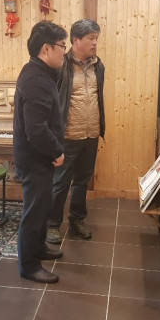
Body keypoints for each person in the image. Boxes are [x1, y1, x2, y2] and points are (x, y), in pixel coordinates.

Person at [14, 21, 68, 283]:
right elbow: (36, 129)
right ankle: (28, 265)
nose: (64, 52)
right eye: (62, 46)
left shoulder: (40, 73)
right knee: (34, 213)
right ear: (46, 48)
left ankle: (38, 249)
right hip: (35, 159)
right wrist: (57, 151)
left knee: (42, 207)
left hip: (39, 158)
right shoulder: (36, 79)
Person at [46, 19, 105, 244]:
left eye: (96, 38)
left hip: (91, 134)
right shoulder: (61, 65)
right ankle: (52, 224)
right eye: (91, 38)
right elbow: (53, 102)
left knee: (82, 181)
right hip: (68, 135)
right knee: (60, 182)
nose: (95, 43)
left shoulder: (98, 66)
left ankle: (77, 219)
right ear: (75, 40)